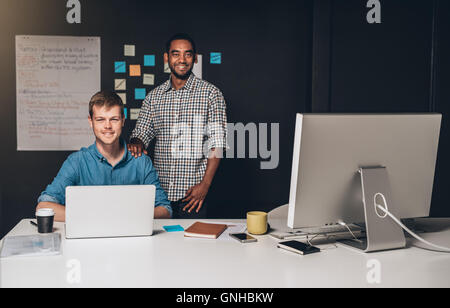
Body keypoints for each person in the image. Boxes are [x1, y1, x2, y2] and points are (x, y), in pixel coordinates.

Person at [128, 33, 227, 218]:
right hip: (159, 197)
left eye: (188, 54)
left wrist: (204, 185)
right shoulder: (153, 97)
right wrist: (136, 142)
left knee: (192, 246)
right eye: (176, 54)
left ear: (195, 58)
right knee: (157, 246)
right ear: (166, 58)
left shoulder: (211, 94)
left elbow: (217, 144)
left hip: (193, 197)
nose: (182, 60)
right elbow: (141, 133)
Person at [36, 91, 172, 222]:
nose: (108, 126)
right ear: (91, 121)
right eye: (100, 119)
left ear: (123, 120)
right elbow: (43, 206)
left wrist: (124, 217)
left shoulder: (141, 162)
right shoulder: (76, 161)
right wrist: (98, 217)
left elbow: (165, 210)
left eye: (114, 119)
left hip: (131, 241)